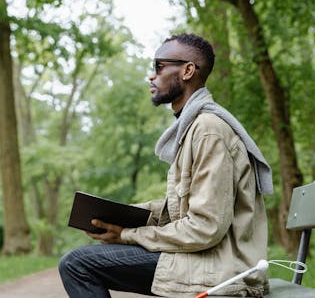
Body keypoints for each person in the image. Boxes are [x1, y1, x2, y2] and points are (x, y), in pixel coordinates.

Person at [58, 33, 273, 297]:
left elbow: (206, 227)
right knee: (80, 261)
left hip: (221, 270)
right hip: (206, 261)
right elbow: (183, 208)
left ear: (187, 71)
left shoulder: (208, 130)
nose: (152, 76)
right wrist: (124, 216)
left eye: (159, 67)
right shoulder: (193, 128)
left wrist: (129, 234)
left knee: (77, 264)